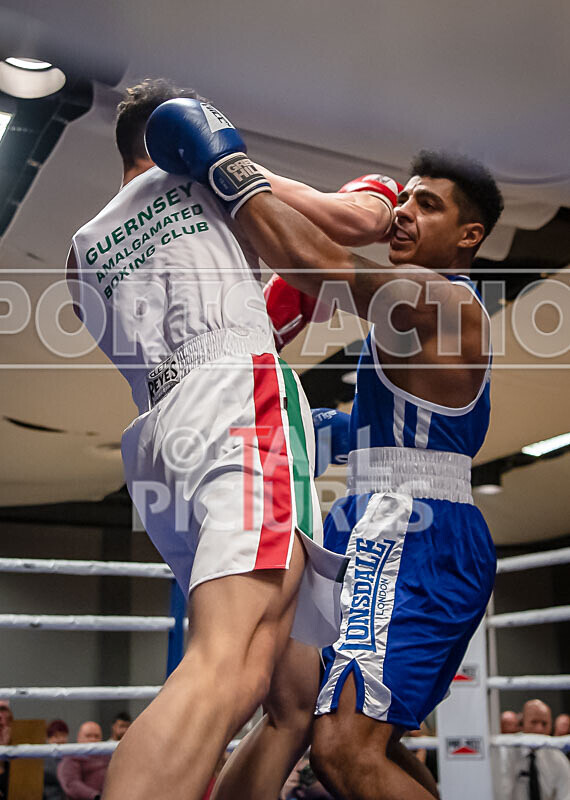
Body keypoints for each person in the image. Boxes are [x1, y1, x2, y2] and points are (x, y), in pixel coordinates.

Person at [143, 97, 503, 800]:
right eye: (401, 199)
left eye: (426, 205)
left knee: (344, 750)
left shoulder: (442, 301)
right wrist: (303, 428)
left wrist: (225, 165)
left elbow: (315, 263)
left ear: (469, 235)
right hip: (368, 521)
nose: (401, 212)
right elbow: (373, 429)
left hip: (417, 531)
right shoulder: (410, 321)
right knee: (302, 707)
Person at [67, 79, 353, 800]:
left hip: (162, 432)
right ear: (182, 132)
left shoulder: (83, 247)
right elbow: (332, 237)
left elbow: (203, 306)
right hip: (237, 402)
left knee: (282, 694)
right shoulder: (205, 174)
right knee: (222, 662)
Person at [496, 700, 570, 799]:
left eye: (544, 724)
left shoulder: (558, 758)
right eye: (534, 722)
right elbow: (500, 794)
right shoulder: (505, 753)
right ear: (521, 724)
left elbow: (566, 795)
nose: (539, 729)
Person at [57, 722, 109, 800]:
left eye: (96, 736)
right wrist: (96, 796)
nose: (93, 739)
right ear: (79, 737)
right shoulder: (71, 757)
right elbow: (71, 784)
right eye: (88, 736)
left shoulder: (107, 756)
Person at [44, 720, 69, 800]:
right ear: (48, 739)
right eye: (56, 736)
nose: (60, 740)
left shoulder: (71, 757)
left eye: (63, 735)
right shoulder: (43, 758)